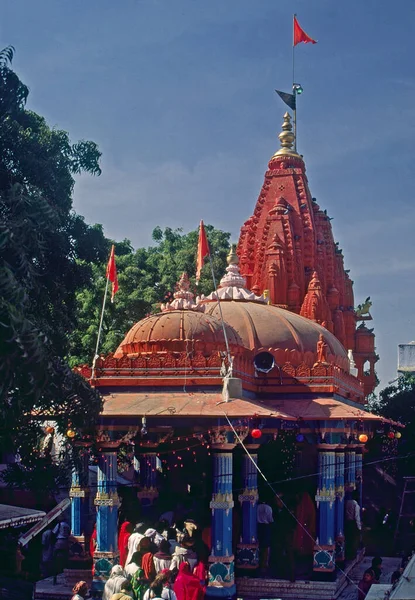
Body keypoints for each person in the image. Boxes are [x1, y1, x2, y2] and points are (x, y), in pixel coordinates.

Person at [257, 498, 273, 573]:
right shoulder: (268, 508)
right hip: (266, 527)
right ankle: (265, 564)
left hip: (258, 526)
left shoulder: (256, 507)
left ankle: (258, 563)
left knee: (259, 545)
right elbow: (270, 519)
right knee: (266, 546)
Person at [53, 518, 71, 584]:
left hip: (59, 541)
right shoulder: (67, 525)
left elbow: (54, 532)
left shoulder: (59, 525)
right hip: (65, 542)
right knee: (66, 558)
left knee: (55, 559)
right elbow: (69, 533)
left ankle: (55, 576)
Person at [345, 491, 361, 560]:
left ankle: (347, 554)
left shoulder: (346, 502)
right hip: (353, 523)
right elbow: (357, 516)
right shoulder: (356, 505)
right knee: (353, 540)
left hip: (346, 523)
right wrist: (359, 527)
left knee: (348, 539)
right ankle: (352, 555)